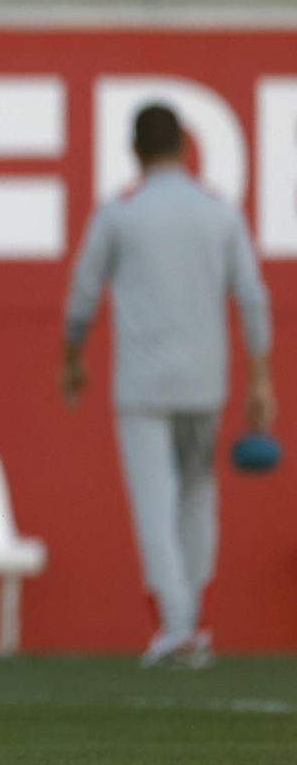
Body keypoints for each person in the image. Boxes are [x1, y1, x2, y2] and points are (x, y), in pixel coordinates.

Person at [61, 103, 275, 668]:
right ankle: (191, 615)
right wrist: (260, 379)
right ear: (185, 145)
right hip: (205, 381)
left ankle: (176, 624)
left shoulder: (120, 213)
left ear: (133, 150)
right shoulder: (218, 211)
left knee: (154, 503)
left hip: (143, 384)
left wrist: (71, 357)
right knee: (199, 496)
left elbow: (82, 293)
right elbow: (252, 297)